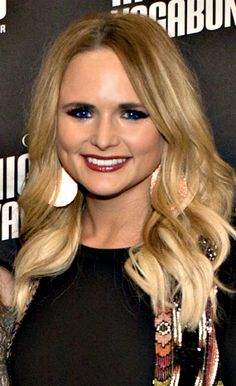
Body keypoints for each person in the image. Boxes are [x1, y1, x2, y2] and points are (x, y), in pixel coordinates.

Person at [5, 12, 236, 386]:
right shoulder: (30, 269)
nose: (104, 138)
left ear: (169, 123)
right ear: (53, 122)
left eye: (132, 113)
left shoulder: (217, 271)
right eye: (81, 112)